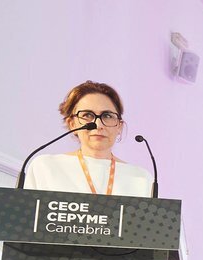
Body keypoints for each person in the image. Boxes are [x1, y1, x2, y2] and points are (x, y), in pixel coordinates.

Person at [24, 80, 153, 197]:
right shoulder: (45, 167)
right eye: (87, 115)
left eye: (107, 116)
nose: (98, 125)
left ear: (119, 126)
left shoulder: (141, 179)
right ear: (72, 123)